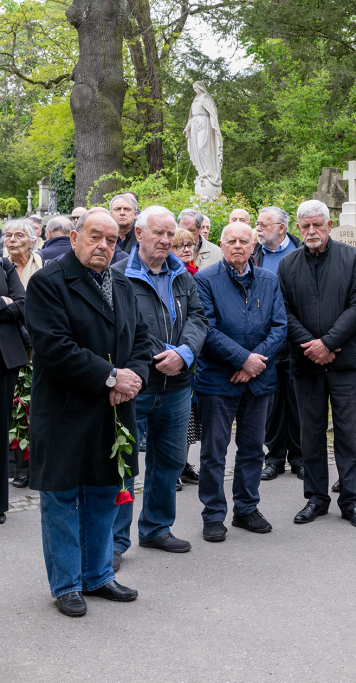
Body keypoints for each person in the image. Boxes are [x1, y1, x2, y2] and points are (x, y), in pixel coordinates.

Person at [25, 207, 151, 617]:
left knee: (102, 492)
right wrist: (111, 377)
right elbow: (54, 348)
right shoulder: (49, 282)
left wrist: (133, 378)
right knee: (62, 497)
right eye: (95, 236)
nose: (103, 246)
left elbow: (142, 339)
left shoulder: (121, 281)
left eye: (112, 240)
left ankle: (97, 576)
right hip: (65, 410)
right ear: (75, 235)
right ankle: (67, 585)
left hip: (112, 411)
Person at [110, 206, 209, 568]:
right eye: (159, 234)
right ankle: (115, 541)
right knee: (122, 464)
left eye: (171, 234)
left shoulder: (182, 274)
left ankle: (155, 528)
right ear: (139, 234)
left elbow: (199, 317)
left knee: (168, 462)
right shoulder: (118, 274)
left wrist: (184, 353)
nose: (167, 241)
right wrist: (158, 355)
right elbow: (120, 327)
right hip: (136, 385)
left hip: (179, 385)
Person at [276, 200, 356, 527]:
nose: (312, 232)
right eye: (306, 227)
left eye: (318, 225)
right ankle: (316, 498)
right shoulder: (287, 265)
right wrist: (311, 346)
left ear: (329, 224)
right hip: (306, 365)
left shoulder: (352, 258)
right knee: (311, 434)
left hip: (345, 363)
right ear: (299, 228)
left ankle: (351, 501)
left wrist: (329, 343)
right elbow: (283, 312)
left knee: (349, 434)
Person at [193, 223, 286, 542]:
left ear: (253, 245)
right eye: (230, 241)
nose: (237, 245)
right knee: (213, 451)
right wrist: (241, 359)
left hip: (259, 381)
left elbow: (279, 327)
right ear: (221, 244)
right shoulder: (204, 280)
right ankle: (213, 514)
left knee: (252, 450)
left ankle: (246, 508)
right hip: (218, 380)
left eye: (243, 241)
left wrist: (253, 363)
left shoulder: (269, 280)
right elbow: (207, 328)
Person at [254, 207, 303, 482]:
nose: (258, 228)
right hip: (267, 340)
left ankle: (299, 458)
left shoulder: (299, 252)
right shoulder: (255, 255)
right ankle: (273, 459)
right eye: (257, 224)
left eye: (263, 224)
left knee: (297, 402)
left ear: (282, 228)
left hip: (296, 339)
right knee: (271, 404)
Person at [0, 247, 30, 525]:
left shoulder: (4, 264)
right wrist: (3, 302)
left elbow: (22, 303)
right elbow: (10, 305)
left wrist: (11, 304)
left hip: (4, 359)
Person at [171, 228, 202, 484]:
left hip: (193, 355)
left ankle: (183, 464)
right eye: (179, 246)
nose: (186, 250)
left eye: (190, 245)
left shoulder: (195, 276)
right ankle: (172, 466)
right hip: (171, 355)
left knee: (190, 417)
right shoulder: (170, 276)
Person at [3, 220, 44, 287]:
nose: (12, 239)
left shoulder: (44, 266)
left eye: (19, 235)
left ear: (32, 243)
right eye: (8, 235)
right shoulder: (2, 266)